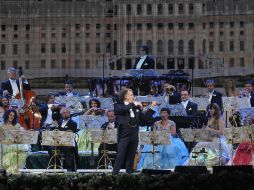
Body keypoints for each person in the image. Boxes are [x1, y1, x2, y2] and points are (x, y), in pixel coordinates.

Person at [112, 88, 153, 174]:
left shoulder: (136, 108)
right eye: (131, 95)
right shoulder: (119, 105)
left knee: (131, 156)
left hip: (134, 134)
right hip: (124, 134)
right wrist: (134, 104)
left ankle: (129, 175)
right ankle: (114, 174)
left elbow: (144, 121)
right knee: (120, 155)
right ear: (125, 96)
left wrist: (151, 109)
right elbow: (121, 110)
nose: (133, 96)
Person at [187, 103, 232, 167]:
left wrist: (210, 130)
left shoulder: (219, 120)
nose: (210, 110)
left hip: (217, 139)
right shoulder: (209, 119)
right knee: (199, 145)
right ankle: (195, 162)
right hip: (209, 139)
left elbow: (221, 132)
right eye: (209, 109)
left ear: (216, 110)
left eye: (212, 109)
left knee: (202, 145)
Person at [48, 107, 79, 171]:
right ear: (61, 114)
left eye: (66, 112)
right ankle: (57, 166)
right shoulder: (59, 122)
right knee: (51, 149)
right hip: (59, 143)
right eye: (63, 113)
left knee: (66, 148)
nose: (65, 114)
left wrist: (57, 127)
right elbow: (53, 130)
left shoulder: (73, 123)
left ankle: (69, 167)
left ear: (69, 113)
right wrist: (49, 127)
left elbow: (67, 133)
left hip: (69, 143)